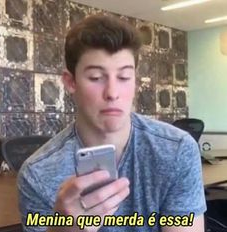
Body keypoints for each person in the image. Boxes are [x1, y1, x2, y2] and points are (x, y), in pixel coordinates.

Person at [18, 14, 206, 232]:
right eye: (96, 78)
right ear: (71, 82)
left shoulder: (176, 151)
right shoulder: (37, 174)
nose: (113, 93)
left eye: (124, 77)